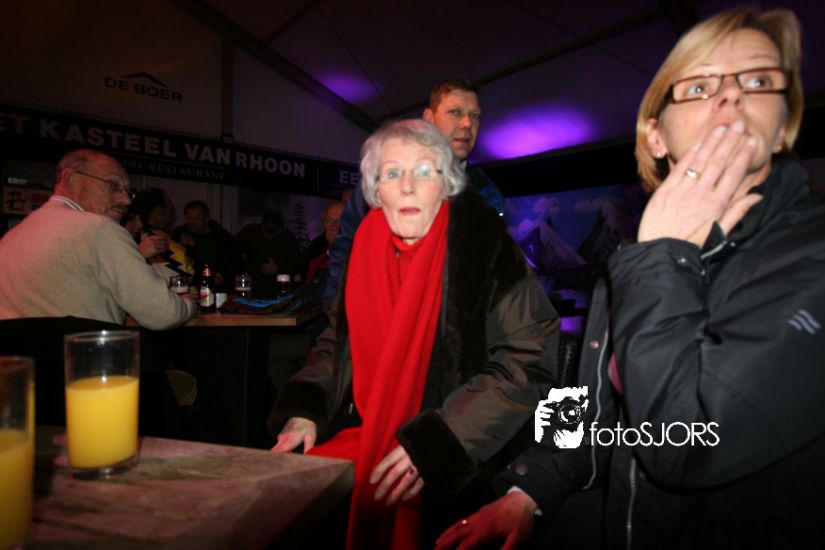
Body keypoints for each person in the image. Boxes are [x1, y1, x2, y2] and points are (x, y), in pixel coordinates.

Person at [436, 7, 825, 550]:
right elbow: (589, 409)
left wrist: (661, 257)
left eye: (758, 81)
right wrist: (527, 490)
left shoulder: (808, 254)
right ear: (656, 134)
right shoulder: (633, 260)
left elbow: (686, 446)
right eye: (699, 86)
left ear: (782, 125)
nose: (732, 97)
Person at [268, 119, 559, 549]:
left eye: (424, 171)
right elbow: (337, 342)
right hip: (368, 429)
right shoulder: (364, 247)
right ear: (376, 190)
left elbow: (529, 357)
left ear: (446, 184)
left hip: (470, 448)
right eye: (392, 173)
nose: (407, 186)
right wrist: (306, 408)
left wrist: (437, 444)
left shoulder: (483, 246)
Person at [325, 78, 506, 307]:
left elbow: (496, 272)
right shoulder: (383, 180)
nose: (467, 123)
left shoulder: (487, 193)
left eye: (475, 116)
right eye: (455, 112)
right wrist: (339, 313)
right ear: (429, 118)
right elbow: (345, 253)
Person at [0, 149, 194, 330]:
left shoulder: (11, 238)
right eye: (113, 185)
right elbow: (163, 313)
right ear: (71, 179)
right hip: (88, 354)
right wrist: (189, 302)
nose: (126, 200)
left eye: (128, 192)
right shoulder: (99, 229)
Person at [171, 200, 238, 291]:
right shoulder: (180, 233)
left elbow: (230, 267)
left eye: (196, 218)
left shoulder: (222, 237)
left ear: (206, 218)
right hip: (186, 288)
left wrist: (194, 246)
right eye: (189, 218)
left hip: (213, 289)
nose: (191, 222)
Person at [235, 210, 301, 297]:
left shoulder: (288, 239)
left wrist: (278, 269)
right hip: (252, 290)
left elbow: (297, 266)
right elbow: (232, 252)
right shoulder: (249, 233)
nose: (270, 235)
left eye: (274, 232)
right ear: (262, 225)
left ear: (280, 229)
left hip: (277, 292)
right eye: (267, 230)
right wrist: (243, 265)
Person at [131, 187, 194, 278]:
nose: (173, 216)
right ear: (159, 211)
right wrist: (191, 248)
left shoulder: (128, 237)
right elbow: (188, 272)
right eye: (169, 210)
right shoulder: (157, 238)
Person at [303, 200, 344, 288]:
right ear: (324, 226)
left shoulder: (363, 262)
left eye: (340, 222)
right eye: (330, 221)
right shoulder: (315, 263)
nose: (334, 227)